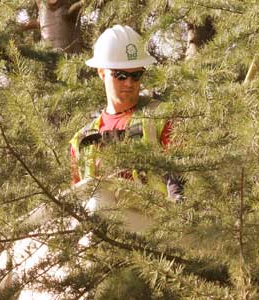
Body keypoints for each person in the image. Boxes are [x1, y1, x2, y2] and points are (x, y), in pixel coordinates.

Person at [69, 25, 183, 200]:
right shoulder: (82, 140)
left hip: (153, 221)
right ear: (101, 72)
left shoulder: (162, 117)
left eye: (136, 75)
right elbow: (77, 200)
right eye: (120, 75)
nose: (129, 83)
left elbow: (182, 175)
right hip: (100, 223)